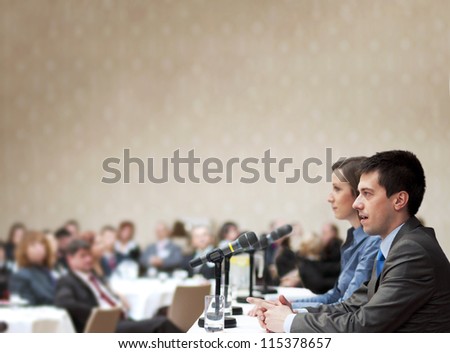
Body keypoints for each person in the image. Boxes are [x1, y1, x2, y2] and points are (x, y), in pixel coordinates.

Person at [255, 150, 450, 332]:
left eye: (367, 194)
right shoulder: (395, 245)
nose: (357, 203)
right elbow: (351, 305)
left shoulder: (412, 250)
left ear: (399, 200)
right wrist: (294, 313)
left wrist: (289, 322)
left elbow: (365, 324)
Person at [250, 157, 380, 312]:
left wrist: (292, 312)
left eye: (337, 189)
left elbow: (348, 306)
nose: (329, 198)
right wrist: (283, 305)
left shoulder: (373, 241)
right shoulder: (353, 239)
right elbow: (333, 297)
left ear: (358, 193)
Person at [54, 239, 182, 333]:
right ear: (70, 259)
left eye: (89, 255)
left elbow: (106, 295)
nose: (88, 259)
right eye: (83, 256)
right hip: (103, 327)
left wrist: (117, 299)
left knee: (162, 315)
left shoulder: (94, 277)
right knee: (161, 324)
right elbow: (64, 302)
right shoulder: (67, 280)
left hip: (121, 319)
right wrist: (99, 313)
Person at [9, 231, 56, 305]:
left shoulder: (48, 273)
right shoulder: (21, 276)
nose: (39, 248)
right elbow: (25, 304)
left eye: (42, 244)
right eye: (33, 245)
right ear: (24, 250)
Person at [296, 223, 343, 294]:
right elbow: (318, 282)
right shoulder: (307, 262)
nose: (322, 237)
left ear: (333, 233)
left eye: (325, 233)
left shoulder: (336, 248)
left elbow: (330, 269)